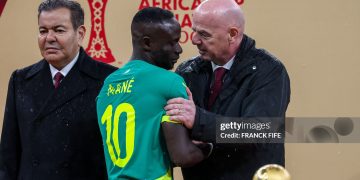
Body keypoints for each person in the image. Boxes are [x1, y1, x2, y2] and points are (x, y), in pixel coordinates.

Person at [164, 0, 291, 179]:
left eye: (204, 34)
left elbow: (257, 131)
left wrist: (198, 120)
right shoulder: (187, 72)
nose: (194, 40)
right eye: (194, 31)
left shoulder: (269, 71)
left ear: (232, 34)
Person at [0, 0, 117, 179]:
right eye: (43, 31)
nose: (49, 38)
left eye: (59, 30)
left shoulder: (108, 80)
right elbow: (8, 155)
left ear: (80, 34)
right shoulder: (20, 80)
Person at [96, 7, 210, 180]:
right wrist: (209, 145)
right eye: (172, 42)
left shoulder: (107, 86)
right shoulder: (170, 82)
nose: (179, 49)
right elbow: (182, 155)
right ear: (147, 43)